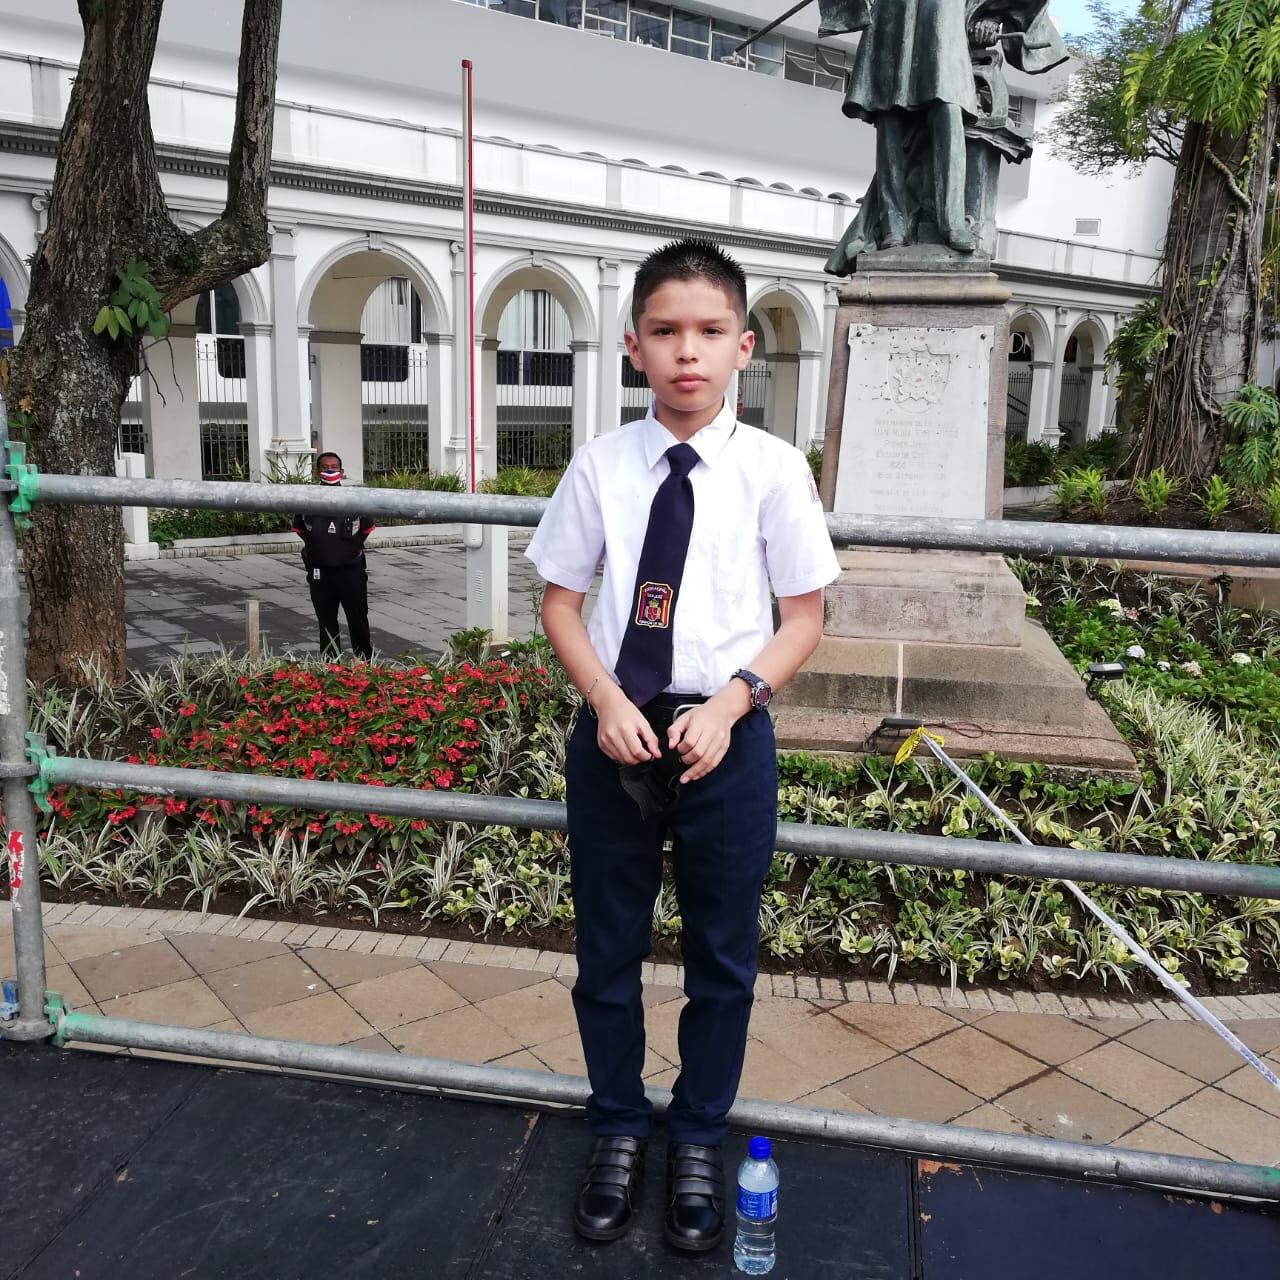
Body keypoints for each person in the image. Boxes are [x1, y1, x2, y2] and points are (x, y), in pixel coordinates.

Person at [526, 239, 839, 1252]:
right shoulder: (601, 465)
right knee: (604, 949)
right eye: (664, 332)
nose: (686, 353)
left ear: (743, 346)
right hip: (614, 731)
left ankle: (697, 1131)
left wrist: (735, 701)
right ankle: (617, 1122)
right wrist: (604, 696)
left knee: (720, 956)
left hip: (725, 735)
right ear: (633, 347)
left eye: (708, 332)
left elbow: (801, 617)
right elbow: (561, 602)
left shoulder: (772, 471)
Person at [292, 452, 376, 661]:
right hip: (320, 572)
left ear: (342, 471)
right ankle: (331, 664)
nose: (330, 470)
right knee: (326, 621)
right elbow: (301, 530)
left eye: (334, 466)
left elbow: (365, 530)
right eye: (324, 467)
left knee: (357, 619)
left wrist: (347, 550)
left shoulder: (354, 500)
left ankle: (365, 662)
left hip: (351, 571)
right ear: (317, 471)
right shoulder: (307, 502)